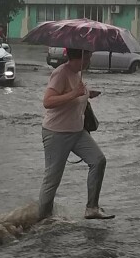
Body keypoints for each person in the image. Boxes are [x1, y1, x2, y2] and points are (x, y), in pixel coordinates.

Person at [38, 47, 113, 220]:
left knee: (98, 160)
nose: (89, 61)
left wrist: (87, 93)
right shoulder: (61, 73)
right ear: (77, 57)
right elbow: (48, 102)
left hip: (77, 132)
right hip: (56, 133)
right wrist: (74, 93)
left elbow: (75, 96)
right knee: (52, 179)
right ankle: (42, 219)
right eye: (87, 57)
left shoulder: (77, 74)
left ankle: (92, 208)